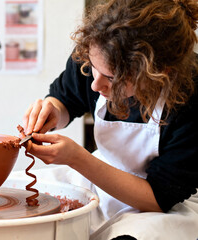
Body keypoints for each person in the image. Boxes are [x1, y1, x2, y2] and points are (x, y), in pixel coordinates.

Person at [20, 0, 198, 239]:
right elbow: (65, 99)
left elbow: (159, 198)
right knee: (18, 196)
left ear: (158, 73)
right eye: (94, 67)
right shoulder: (100, 50)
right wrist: (51, 111)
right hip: (98, 180)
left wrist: (76, 158)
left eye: (112, 78)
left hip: (165, 205)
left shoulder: (191, 95)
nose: (95, 84)